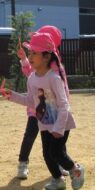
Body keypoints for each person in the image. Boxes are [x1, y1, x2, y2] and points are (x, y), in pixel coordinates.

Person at [0, 32, 85, 190]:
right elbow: (31, 102)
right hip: (44, 122)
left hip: (61, 123)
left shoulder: (54, 77)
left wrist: (59, 128)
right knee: (47, 154)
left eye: (34, 53)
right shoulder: (32, 78)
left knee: (56, 152)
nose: (30, 56)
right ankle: (58, 179)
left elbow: (64, 104)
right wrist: (12, 96)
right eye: (30, 53)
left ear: (46, 57)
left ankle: (76, 170)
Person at [15, 25, 68, 180]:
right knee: (30, 136)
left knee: (57, 139)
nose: (32, 55)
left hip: (54, 112)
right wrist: (24, 59)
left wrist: (64, 109)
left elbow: (63, 89)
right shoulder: (40, 61)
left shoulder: (56, 66)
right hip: (35, 110)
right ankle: (23, 163)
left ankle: (60, 164)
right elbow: (30, 74)